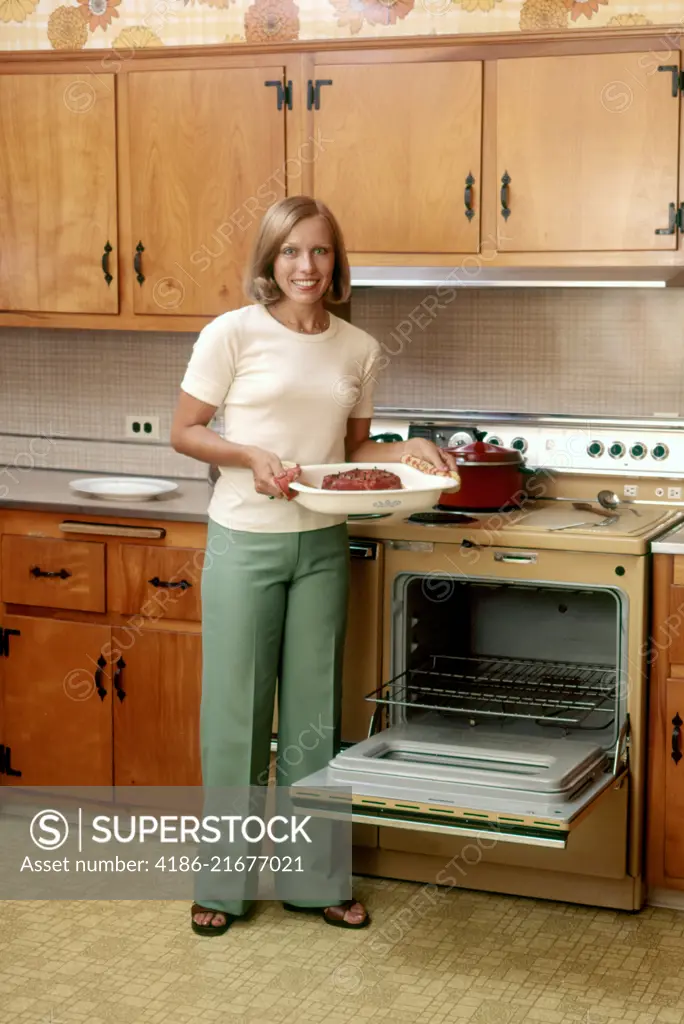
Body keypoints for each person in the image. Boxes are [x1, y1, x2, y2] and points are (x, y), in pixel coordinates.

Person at [170, 195, 455, 936]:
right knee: (235, 719)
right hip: (243, 539)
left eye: (320, 251)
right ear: (270, 260)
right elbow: (186, 431)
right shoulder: (231, 334)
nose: (306, 266)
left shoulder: (358, 349)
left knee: (313, 721)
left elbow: (350, 450)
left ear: (337, 262)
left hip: (323, 543)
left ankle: (316, 880)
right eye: (291, 251)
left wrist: (405, 449)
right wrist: (249, 456)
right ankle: (220, 886)